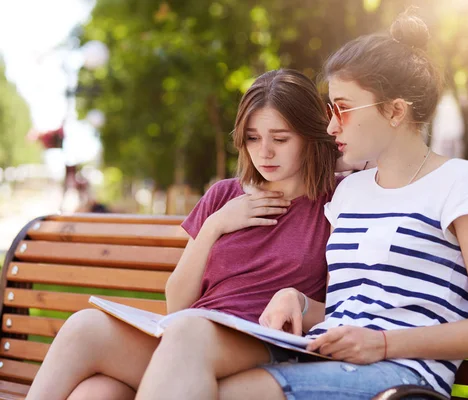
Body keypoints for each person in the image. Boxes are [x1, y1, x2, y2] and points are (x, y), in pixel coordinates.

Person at [127, 10, 468, 400]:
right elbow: (347, 306)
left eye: (344, 109)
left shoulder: (462, 182)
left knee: (213, 387)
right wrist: (296, 300)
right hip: (320, 357)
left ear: (396, 111)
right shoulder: (351, 192)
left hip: (400, 377)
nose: (331, 126)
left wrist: (383, 344)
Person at [25, 69, 341, 400]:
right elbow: (177, 304)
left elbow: (341, 307)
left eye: (280, 138)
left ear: (309, 134)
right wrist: (214, 225)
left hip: (265, 344)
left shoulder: (335, 202)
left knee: (187, 334)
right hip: (187, 336)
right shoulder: (223, 196)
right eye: (252, 138)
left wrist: (298, 304)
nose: (264, 152)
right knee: (89, 356)